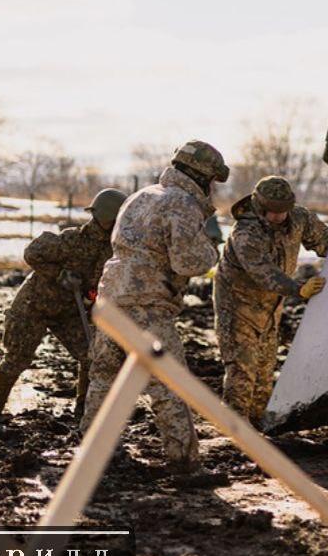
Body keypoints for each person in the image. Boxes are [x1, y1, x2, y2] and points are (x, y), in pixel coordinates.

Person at [81, 140, 226, 475]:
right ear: (204, 176)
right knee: (169, 384)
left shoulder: (140, 196)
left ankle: (92, 455)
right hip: (147, 306)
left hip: (110, 300)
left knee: (103, 379)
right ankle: (185, 465)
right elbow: (187, 261)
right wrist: (212, 252)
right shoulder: (182, 203)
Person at [0, 188, 128, 438]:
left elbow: (101, 284)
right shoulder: (72, 240)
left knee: (91, 357)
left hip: (68, 313)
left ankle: (84, 416)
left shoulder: (112, 251)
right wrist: (60, 275)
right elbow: (32, 252)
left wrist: (93, 296)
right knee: (16, 359)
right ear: (106, 218)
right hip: (32, 308)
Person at [214, 175, 328, 425]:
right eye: (272, 212)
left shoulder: (298, 218)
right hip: (238, 306)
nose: (279, 217)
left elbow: (326, 241)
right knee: (242, 370)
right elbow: (262, 272)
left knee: (265, 369)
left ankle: (258, 425)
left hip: (271, 307)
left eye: (283, 211)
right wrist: (298, 289)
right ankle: (234, 430)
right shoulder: (245, 232)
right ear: (259, 206)